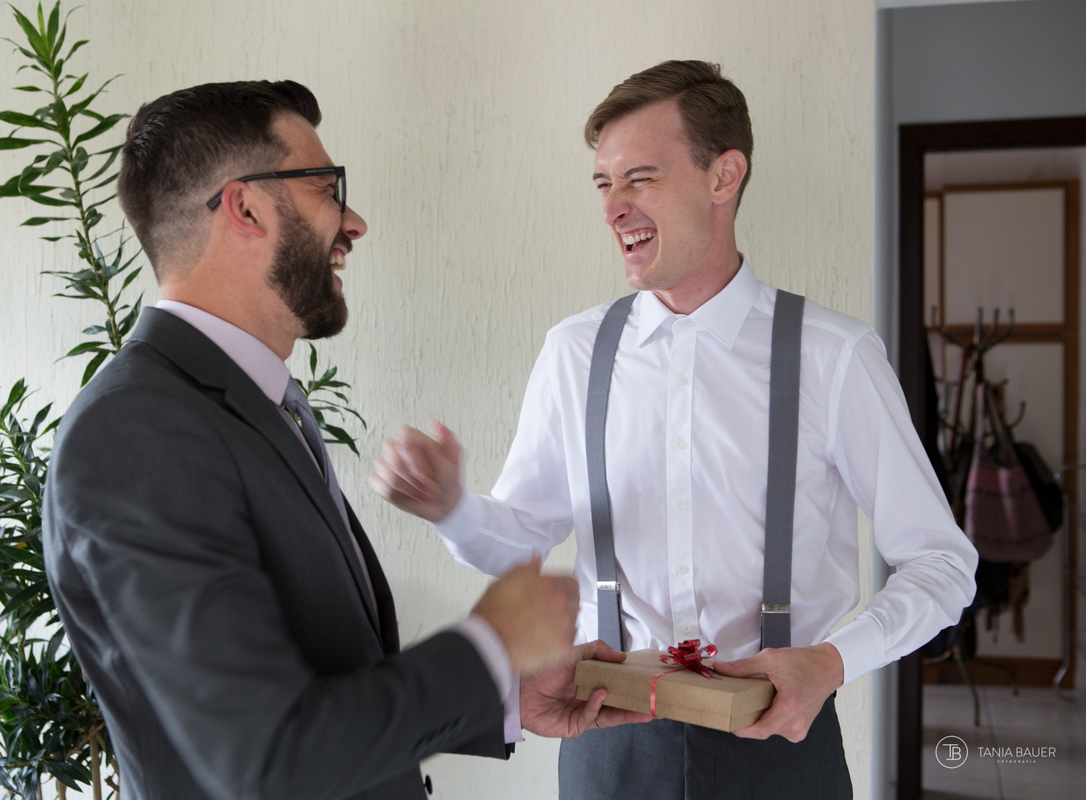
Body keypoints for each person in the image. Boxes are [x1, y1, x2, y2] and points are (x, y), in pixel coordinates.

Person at [370, 60, 979, 799]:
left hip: (783, 745)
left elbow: (943, 565)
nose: (612, 209)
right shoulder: (574, 352)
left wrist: (831, 662)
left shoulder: (835, 356)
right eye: (603, 184)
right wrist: (450, 508)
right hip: (608, 741)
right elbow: (522, 541)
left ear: (724, 176)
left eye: (640, 178)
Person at [43, 79, 643, 800]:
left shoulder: (260, 404)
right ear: (246, 207)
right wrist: (489, 645)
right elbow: (266, 758)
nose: (353, 222)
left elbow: (320, 686)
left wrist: (505, 695)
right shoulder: (136, 432)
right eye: (328, 190)